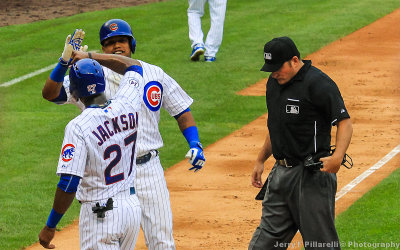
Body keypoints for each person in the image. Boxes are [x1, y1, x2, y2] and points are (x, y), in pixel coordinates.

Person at [42, 20, 205, 250]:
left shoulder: (153, 73)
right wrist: (63, 63)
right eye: (109, 43)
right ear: (103, 47)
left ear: (131, 43)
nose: (116, 46)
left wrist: (195, 142)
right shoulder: (92, 74)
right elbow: (51, 93)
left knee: (162, 241)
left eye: (121, 41)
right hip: (112, 178)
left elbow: (181, 110)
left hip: (148, 169)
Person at [249, 36, 353, 250]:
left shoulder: (318, 83)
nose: (274, 73)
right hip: (280, 176)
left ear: (295, 60)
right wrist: (261, 160)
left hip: (311, 178)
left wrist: (337, 157)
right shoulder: (274, 84)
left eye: (278, 68)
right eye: (270, 69)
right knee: (263, 244)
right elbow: (276, 126)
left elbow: (344, 123)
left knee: (320, 245)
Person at [38, 47, 145, 249]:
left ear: (74, 93)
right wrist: (91, 57)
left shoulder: (79, 126)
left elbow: (69, 182)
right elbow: (135, 66)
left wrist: (50, 226)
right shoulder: (128, 103)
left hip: (101, 216)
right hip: (131, 209)